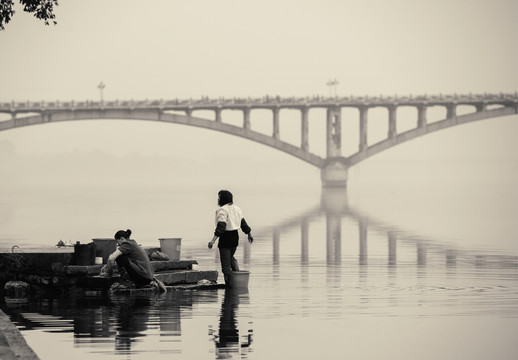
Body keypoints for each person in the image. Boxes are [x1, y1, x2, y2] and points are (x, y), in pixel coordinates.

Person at [208, 190, 253, 287]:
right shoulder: (237, 209)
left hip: (225, 238)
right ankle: (238, 281)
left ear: (223, 199)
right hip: (235, 238)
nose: (218, 199)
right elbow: (243, 223)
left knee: (225, 266)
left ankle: (230, 286)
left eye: (219, 197)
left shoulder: (222, 210)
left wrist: (213, 240)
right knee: (230, 258)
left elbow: (221, 226)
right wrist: (249, 233)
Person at [101, 229, 166, 293]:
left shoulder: (127, 244)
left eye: (118, 243)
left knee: (120, 257)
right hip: (148, 278)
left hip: (143, 278)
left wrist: (109, 272)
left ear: (122, 239)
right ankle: (130, 279)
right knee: (122, 257)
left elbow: (111, 258)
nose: (119, 246)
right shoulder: (133, 243)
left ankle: (127, 281)